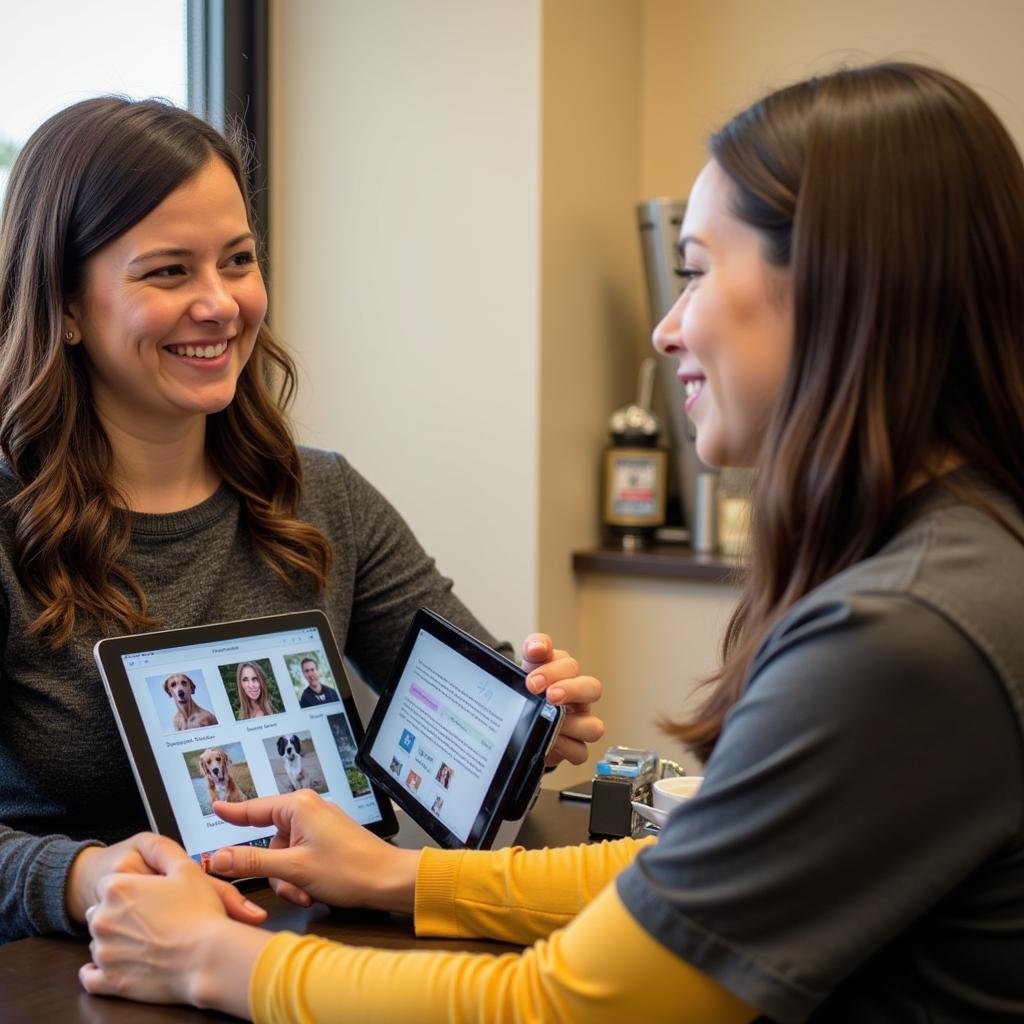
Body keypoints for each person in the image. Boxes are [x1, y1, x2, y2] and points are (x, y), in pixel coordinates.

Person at [81, 61, 1024, 1021]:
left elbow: (572, 1007)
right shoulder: (958, 562)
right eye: (168, 270)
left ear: (837, 287)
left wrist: (212, 964)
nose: (665, 328)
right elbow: (679, 869)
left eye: (695, 271)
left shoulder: (905, 634)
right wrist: (400, 879)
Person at [0, 96, 605, 945]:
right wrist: (84, 877)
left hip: (317, 957)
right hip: (79, 980)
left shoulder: (323, 496)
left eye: (238, 260)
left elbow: (465, 699)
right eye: (169, 271)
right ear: (64, 306)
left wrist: (529, 720)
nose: (221, 304)